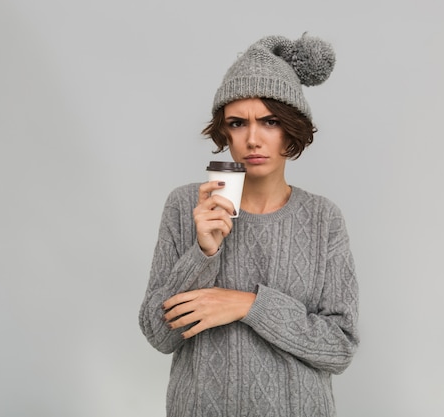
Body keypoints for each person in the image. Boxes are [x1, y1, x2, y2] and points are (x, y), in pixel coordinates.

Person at [139, 33, 360, 417]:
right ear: (224, 131)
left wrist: (248, 305)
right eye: (238, 123)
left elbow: (338, 348)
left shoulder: (323, 218)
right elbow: (160, 336)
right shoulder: (185, 206)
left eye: (270, 121)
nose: (253, 139)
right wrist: (203, 252)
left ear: (291, 129)